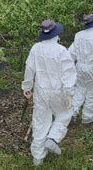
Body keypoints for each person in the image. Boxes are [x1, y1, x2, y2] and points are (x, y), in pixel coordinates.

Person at [22, 19, 77, 166]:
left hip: (41, 91)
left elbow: (29, 69)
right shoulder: (61, 51)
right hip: (57, 90)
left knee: (40, 120)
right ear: (56, 34)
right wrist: (69, 92)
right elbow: (69, 73)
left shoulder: (35, 48)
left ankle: (38, 157)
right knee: (65, 113)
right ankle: (52, 138)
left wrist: (27, 87)